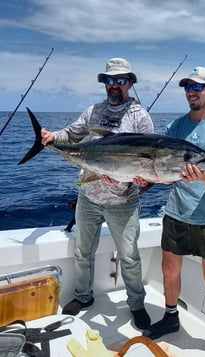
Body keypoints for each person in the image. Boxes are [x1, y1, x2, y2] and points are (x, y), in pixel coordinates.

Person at [41, 58, 154, 329]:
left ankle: (136, 303)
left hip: (123, 202)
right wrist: (52, 138)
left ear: (131, 83)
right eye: (109, 80)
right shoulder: (93, 111)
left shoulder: (140, 117)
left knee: (129, 256)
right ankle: (83, 296)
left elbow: (150, 161)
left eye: (120, 80)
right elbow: (72, 134)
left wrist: (142, 181)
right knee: (83, 252)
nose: (114, 85)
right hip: (89, 197)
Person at [142, 66, 205, 357]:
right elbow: (159, 169)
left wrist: (199, 176)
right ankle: (171, 317)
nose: (191, 91)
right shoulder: (176, 126)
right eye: (187, 86)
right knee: (168, 270)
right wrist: (142, 178)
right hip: (176, 212)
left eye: (198, 87)